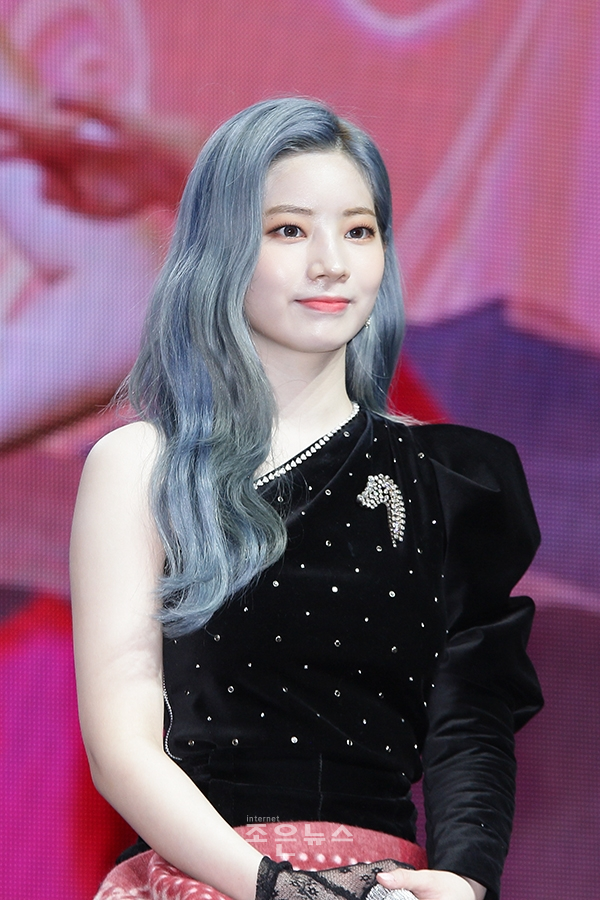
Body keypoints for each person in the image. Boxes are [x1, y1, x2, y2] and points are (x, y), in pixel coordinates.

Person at [70, 98, 543, 900]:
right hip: (204, 877)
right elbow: (123, 751)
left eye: (359, 231)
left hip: (384, 885)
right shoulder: (143, 466)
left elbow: (469, 723)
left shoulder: (451, 479)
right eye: (289, 230)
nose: (331, 263)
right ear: (222, 248)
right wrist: (275, 888)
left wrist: (463, 881)